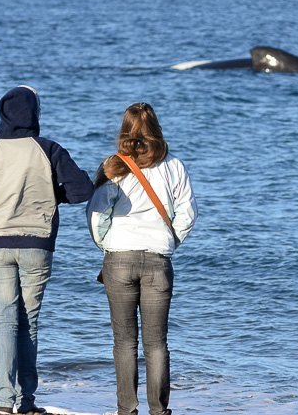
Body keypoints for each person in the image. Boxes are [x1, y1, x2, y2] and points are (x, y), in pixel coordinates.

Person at [0, 85, 94, 415]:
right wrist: (53, 194)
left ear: (3, 113)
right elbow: (82, 191)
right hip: (37, 244)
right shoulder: (48, 148)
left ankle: (4, 400)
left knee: (4, 320)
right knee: (29, 322)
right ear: (35, 113)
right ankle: (27, 401)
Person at [87, 102, 197, 415]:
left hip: (118, 258)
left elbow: (96, 214)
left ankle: (126, 409)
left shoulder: (113, 165)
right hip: (158, 259)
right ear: (157, 129)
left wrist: (106, 245)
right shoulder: (174, 165)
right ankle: (159, 411)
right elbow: (188, 213)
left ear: (124, 130)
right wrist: (170, 241)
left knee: (124, 342)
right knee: (157, 343)